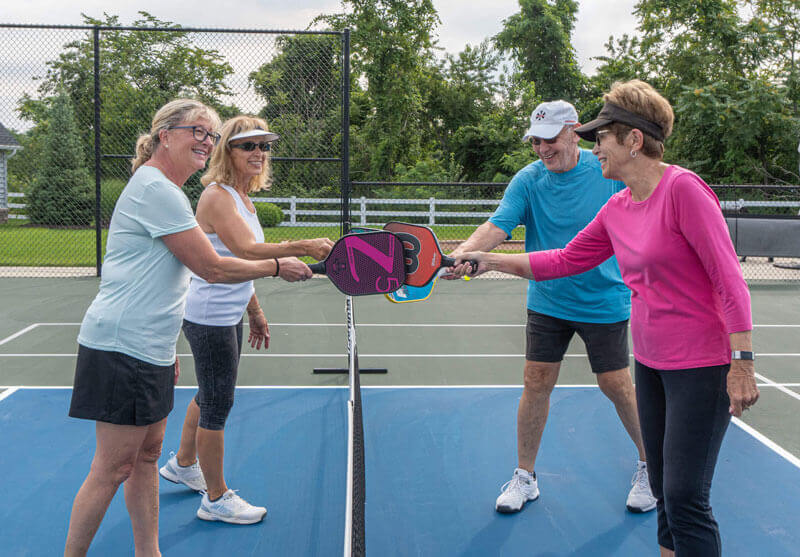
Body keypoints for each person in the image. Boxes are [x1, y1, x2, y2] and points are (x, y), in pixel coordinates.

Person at [454, 80, 759, 556]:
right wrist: (486, 261)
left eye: (603, 137)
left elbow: (730, 280)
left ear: (633, 141)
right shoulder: (618, 207)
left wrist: (741, 361)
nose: (597, 146)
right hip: (653, 363)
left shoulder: (684, 191)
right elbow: (563, 260)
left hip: (702, 365)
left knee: (685, 497)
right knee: (661, 488)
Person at [64, 99, 312, 557]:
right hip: (120, 345)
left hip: (150, 347)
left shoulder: (167, 191)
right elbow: (211, 268)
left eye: (211, 134)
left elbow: (171, 279)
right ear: (165, 135)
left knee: (146, 458)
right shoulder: (155, 189)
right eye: (196, 131)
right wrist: (277, 267)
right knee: (112, 468)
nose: (205, 141)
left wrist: (168, 347)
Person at [447, 99, 655, 515]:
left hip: (603, 299)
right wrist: (464, 253)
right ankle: (525, 477)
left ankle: (652, 467)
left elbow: (642, 213)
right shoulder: (528, 180)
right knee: (535, 382)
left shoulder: (607, 173)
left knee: (616, 385)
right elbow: (497, 226)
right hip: (547, 299)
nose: (542, 149)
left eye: (550, 139)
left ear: (574, 132)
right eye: (535, 141)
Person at [158, 115, 333, 524]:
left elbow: (239, 258)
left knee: (210, 391)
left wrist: (253, 309)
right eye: (248, 146)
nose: (259, 153)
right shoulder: (217, 196)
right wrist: (303, 245)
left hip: (227, 312)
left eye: (264, 146)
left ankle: (184, 464)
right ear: (228, 151)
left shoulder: (242, 197)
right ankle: (215, 499)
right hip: (209, 316)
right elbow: (247, 248)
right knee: (219, 401)